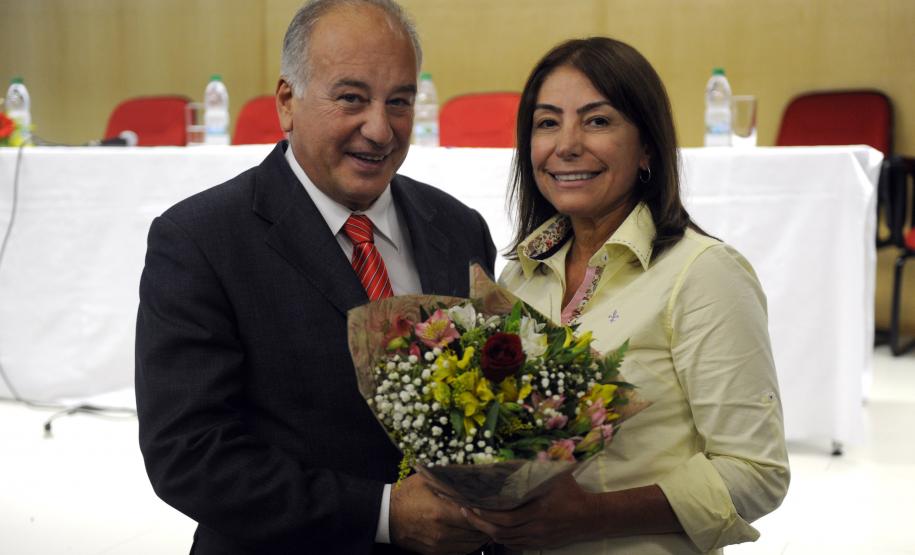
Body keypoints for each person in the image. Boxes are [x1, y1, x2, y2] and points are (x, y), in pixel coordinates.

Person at [134, 1, 495, 553]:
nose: (380, 129)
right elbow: (190, 453)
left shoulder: (459, 227)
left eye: (399, 102)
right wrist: (384, 515)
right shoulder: (200, 239)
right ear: (287, 102)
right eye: (351, 98)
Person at [463, 38, 790, 554]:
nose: (566, 145)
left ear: (646, 148)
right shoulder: (518, 277)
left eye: (597, 121)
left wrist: (592, 517)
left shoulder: (702, 273)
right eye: (547, 123)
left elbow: (756, 472)